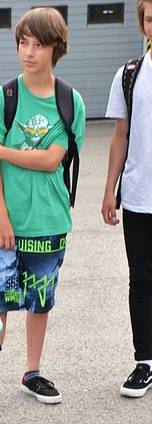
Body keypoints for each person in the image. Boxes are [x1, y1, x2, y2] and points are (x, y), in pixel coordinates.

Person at [0, 7, 85, 405]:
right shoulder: (2, 97)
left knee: (40, 300)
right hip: (2, 223)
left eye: (38, 44)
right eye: (23, 43)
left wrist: (3, 149)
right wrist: (1, 216)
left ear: (56, 48)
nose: (28, 52)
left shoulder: (69, 101)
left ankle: (33, 371)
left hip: (49, 220)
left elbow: (52, 159)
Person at [101, 0, 152, 398]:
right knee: (142, 280)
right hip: (138, 196)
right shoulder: (130, 74)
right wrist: (109, 189)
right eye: (150, 18)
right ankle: (145, 361)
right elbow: (121, 133)